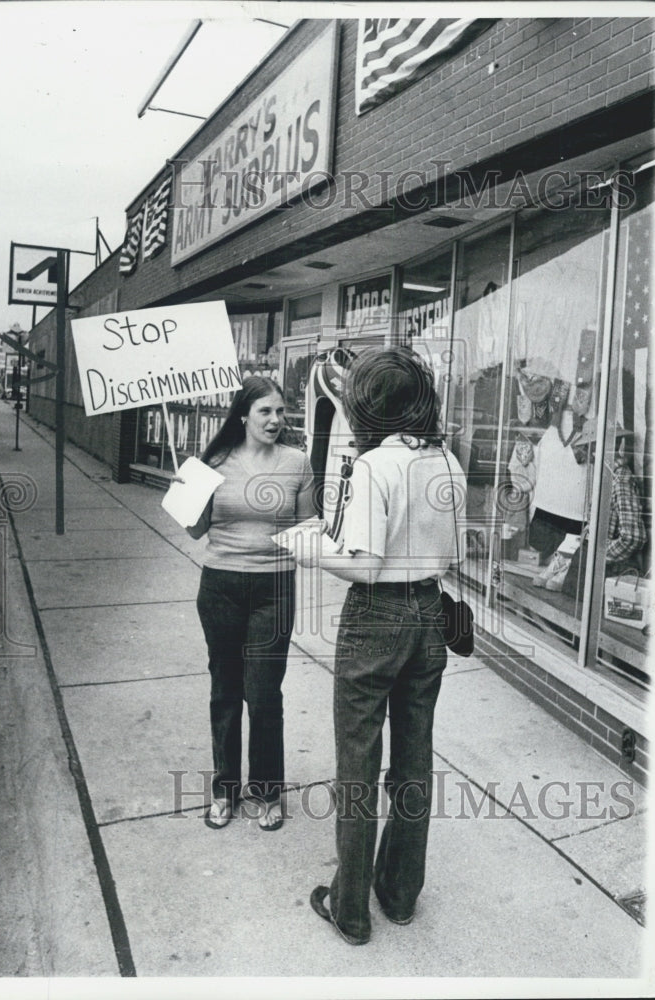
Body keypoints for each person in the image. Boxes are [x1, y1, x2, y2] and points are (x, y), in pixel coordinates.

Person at [297, 347, 466, 945]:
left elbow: (363, 566)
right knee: (414, 760)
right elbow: (448, 551)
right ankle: (398, 893)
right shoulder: (448, 461)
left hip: (376, 616)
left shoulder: (376, 466)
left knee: (358, 766)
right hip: (429, 612)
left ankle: (349, 907)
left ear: (367, 406)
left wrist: (304, 548)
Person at [187, 376, 316, 832]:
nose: (276, 420)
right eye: (266, 411)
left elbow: (307, 532)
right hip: (220, 584)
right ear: (243, 415)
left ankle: (267, 792)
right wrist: (187, 490)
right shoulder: (214, 463)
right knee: (225, 691)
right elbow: (195, 531)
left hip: (274, 588)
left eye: (281, 411)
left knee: (263, 695)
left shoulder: (298, 463)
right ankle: (225, 790)